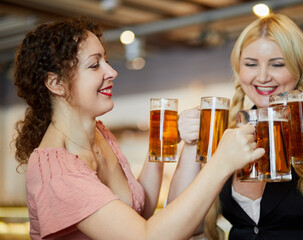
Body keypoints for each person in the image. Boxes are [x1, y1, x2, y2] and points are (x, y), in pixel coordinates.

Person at [12, 16, 265, 240]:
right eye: (94, 64)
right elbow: (146, 236)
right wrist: (220, 163)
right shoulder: (56, 169)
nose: (112, 71)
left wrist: (164, 141)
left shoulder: (100, 134)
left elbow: (140, 212)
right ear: (55, 83)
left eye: (106, 61)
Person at [168, 13, 303, 240]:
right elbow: (178, 229)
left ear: (299, 69)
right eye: (250, 64)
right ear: (239, 71)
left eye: (277, 64)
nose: (262, 76)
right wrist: (190, 146)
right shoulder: (229, 136)